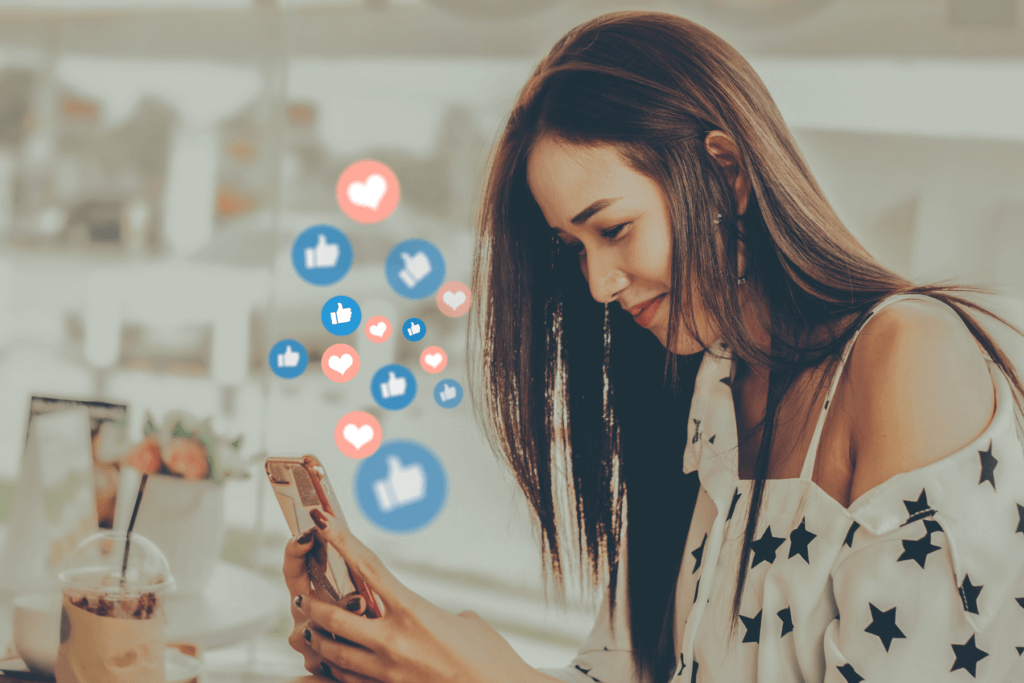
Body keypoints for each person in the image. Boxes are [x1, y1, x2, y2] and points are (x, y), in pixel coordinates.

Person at [281, 10, 1024, 682]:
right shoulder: (703, 392)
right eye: (572, 247)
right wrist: (413, 657)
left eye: (613, 228)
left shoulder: (908, 360)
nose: (599, 282)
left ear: (727, 172)